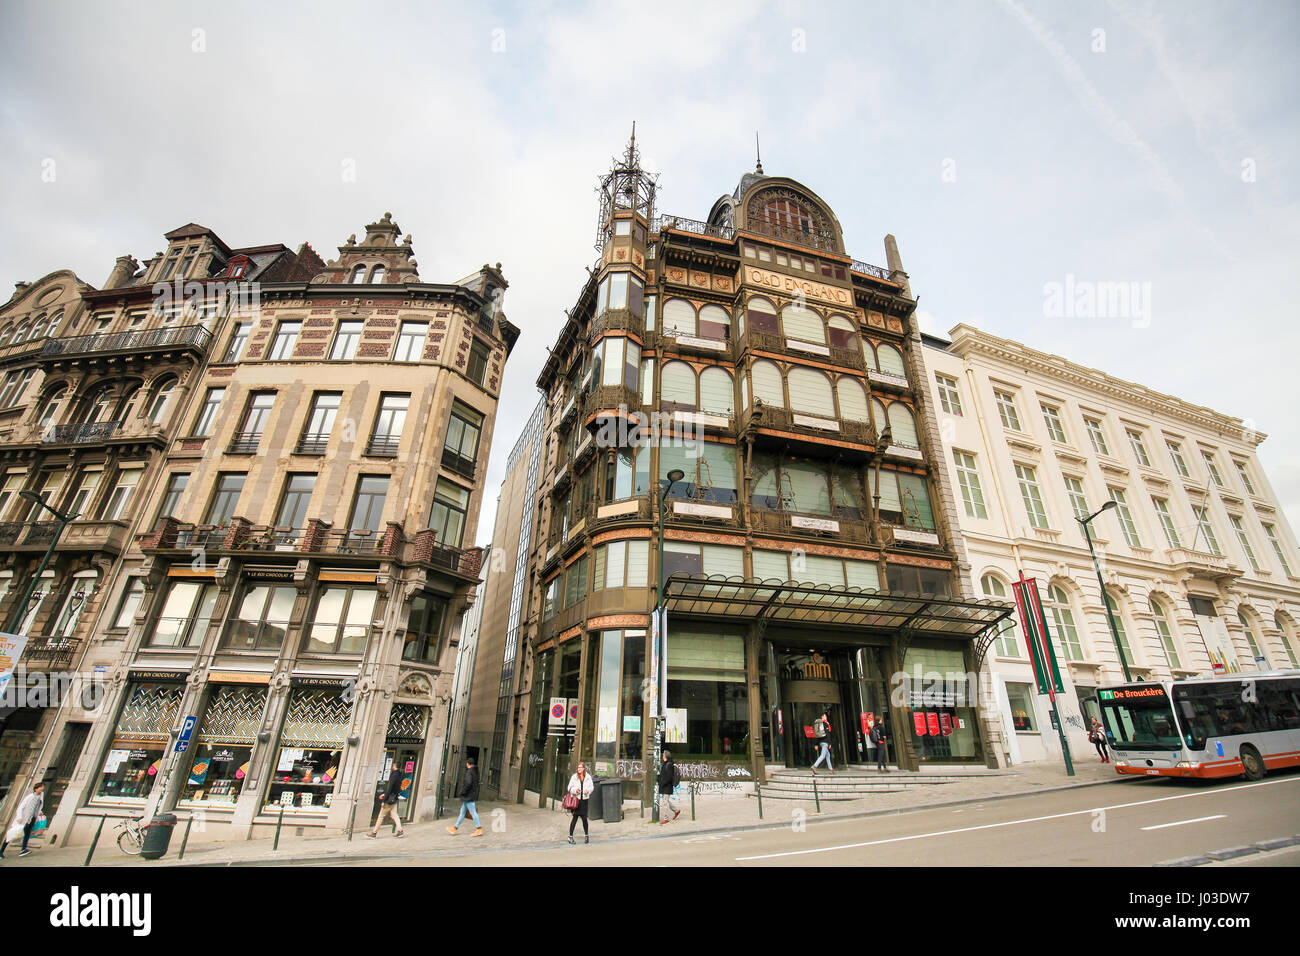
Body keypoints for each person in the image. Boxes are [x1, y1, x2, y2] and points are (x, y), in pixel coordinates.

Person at [1, 781, 44, 859]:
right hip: (24, 819)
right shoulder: (30, 797)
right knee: (12, 834)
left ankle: (23, 850)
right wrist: (19, 817)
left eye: (43, 787)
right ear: (36, 789)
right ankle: (1, 851)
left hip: (32, 819)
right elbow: (21, 807)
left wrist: (39, 812)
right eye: (41, 787)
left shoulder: (41, 796)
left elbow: (37, 807)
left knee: (27, 834)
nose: (42, 789)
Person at [368, 759, 406, 838]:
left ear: (394, 766)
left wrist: (384, 800)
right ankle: (400, 830)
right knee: (394, 815)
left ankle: (374, 833)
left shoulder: (394, 775)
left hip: (389, 800)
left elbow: (390, 788)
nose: (392, 767)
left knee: (381, 816)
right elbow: (396, 788)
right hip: (394, 798)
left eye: (393, 766)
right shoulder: (399, 775)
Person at [446, 756, 483, 837]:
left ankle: (479, 828)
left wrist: (463, 791)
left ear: (468, 764)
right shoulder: (476, 771)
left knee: (473, 812)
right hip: (471, 794)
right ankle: (455, 828)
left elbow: (468, 783)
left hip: (468, 795)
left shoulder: (469, 772)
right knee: (462, 812)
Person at [566, 761, 596, 844]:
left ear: (584, 769)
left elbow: (592, 787)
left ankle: (586, 835)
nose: (579, 769)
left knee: (584, 819)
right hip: (576, 801)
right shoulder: (574, 777)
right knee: (574, 818)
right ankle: (570, 836)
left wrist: (588, 791)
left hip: (584, 801)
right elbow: (569, 788)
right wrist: (575, 791)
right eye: (578, 768)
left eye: (580, 768)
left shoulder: (588, 777)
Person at [657, 750, 681, 824]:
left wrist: (663, 783)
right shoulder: (666, 764)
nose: (662, 756)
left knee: (665, 802)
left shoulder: (669, 764)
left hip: (667, 786)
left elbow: (669, 777)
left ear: (665, 756)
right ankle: (676, 810)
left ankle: (666, 818)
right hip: (665, 785)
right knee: (666, 801)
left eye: (663, 755)